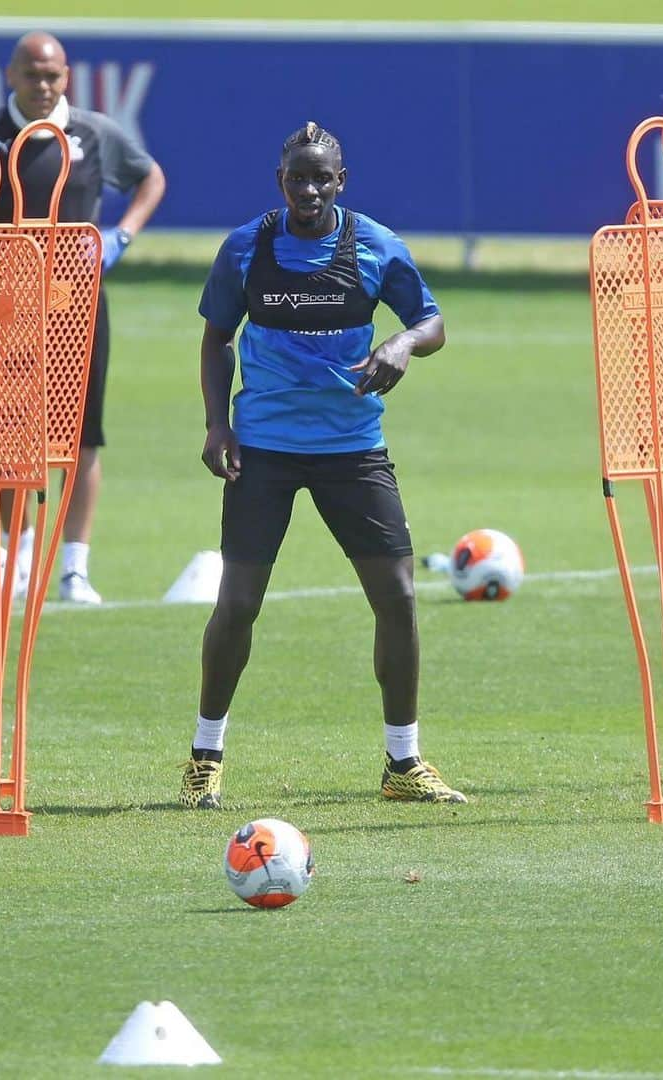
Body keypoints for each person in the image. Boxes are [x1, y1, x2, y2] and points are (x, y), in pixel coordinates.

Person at [179, 122, 467, 810]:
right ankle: (203, 759)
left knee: (396, 598)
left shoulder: (376, 245)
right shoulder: (247, 247)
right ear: (280, 181)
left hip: (351, 448)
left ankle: (403, 764)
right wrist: (218, 424)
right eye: (295, 177)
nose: (308, 189)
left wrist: (401, 343)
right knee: (238, 604)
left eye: (321, 178)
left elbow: (433, 323)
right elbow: (217, 336)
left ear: (341, 183)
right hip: (266, 446)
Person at [0, 30, 167, 605]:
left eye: (53, 75)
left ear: (67, 76)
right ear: (10, 76)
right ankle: (14, 558)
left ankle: (74, 568)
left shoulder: (92, 133)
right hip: (1, 307)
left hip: (77, 305)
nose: (43, 86)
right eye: (32, 75)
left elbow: (150, 177)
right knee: (8, 438)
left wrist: (121, 235)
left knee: (81, 439)